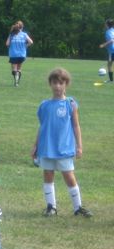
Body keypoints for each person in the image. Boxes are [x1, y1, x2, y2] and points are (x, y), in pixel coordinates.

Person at [31, 68, 92, 218]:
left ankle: (78, 207)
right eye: (55, 83)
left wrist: (79, 146)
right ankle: (51, 207)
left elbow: (76, 126)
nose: (58, 86)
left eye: (61, 83)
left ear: (66, 85)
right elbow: (42, 126)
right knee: (48, 174)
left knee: (69, 176)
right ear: (50, 84)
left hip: (64, 148)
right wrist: (35, 145)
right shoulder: (44, 105)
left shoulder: (70, 104)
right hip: (47, 147)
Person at [6, 21, 33, 87]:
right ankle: (17, 82)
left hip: (13, 54)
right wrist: (25, 46)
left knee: (14, 69)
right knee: (19, 69)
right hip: (22, 54)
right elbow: (31, 42)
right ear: (22, 27)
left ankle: (16, 81)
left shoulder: (11, 35)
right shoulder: (24, 34)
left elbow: (7, 44)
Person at [99, 19, 114, 83]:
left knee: (109, 65)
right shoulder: (113, 30)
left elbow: (111, 40)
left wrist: (103, 45)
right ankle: (111, 80)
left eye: (105, 23)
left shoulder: (108, 32)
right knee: (109, 64)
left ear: (107, 24)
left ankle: (111, 80)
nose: (104, 24)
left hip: (112, 51)